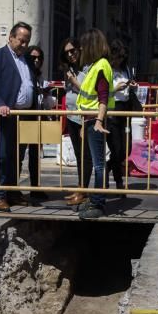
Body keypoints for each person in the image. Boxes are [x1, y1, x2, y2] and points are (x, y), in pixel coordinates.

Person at [0, 22, 34, 212]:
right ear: (11, 37)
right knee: (2, 157)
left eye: (27, 41)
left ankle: (12, 191)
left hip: (24, 116)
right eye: (21, 40)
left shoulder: (26, 59)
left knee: (17, 157)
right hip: (5, 116)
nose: (24, 45)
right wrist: (0, 104)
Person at [69, 28, 113, 220]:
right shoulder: (96, 65)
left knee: (99, 165)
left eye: (83, 47)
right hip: (89, 121)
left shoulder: (101, 66)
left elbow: (103, 98)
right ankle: (95, 198)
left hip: (95, 121)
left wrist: (98, 121)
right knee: (97, 164)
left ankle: (98, 202)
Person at [59, 37, 91, 203]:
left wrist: (74, 82)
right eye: (67, 53)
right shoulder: (70, 69)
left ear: (80, 49)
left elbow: (89, 92)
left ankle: (83, 190)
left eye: (73, 51)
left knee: (85, 155)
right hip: (71, 116)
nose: (70, 55)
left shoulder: (87, 69)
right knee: (79, 154)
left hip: (84, 118)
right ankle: (80, 187)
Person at [107, 38, 137, 193]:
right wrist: (115, 88)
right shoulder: (106, 69)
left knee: (126, 148)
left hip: (126, 109)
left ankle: (107, 168)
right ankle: (118, 182)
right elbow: (102, 92)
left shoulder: (126, 69)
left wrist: (132, 86)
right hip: (112, 110)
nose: (120, 60)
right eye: (118, 57)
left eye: (123, 57)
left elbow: (129, 88)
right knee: (117, 148)